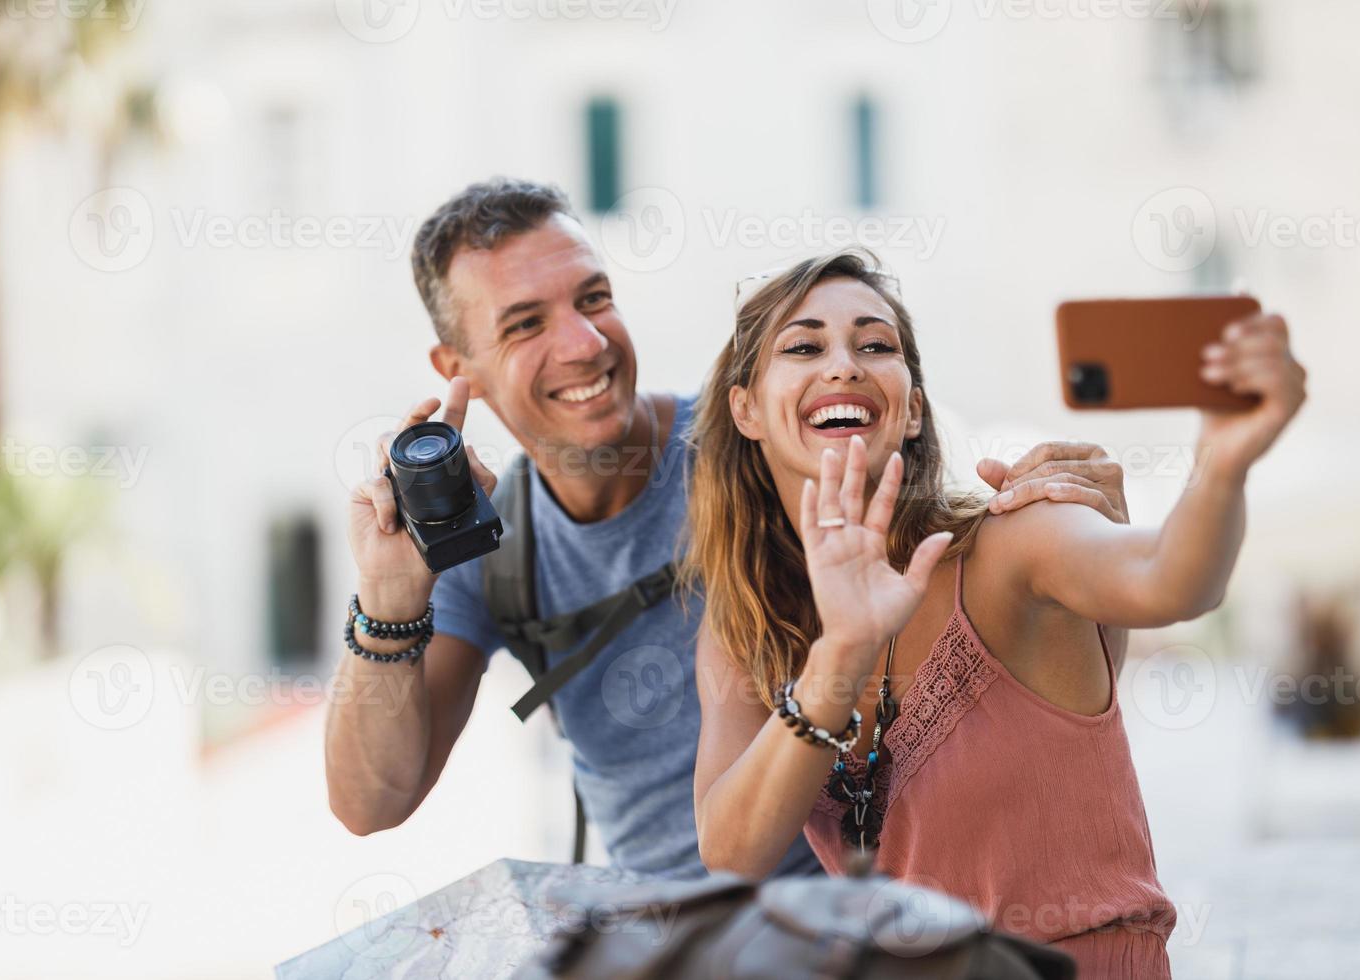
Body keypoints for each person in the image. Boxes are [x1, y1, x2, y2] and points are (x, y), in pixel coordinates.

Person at [325, 178, 1138, 881]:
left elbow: (982, 586)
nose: (583, 342)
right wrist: (388, 600)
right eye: (525, 324)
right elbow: (371, 804)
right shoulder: (487, 543)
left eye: (594, 298)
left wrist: (1069, 529)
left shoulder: (772, 445)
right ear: (454, 368)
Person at [688, 250, 1306, 974]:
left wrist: (1222, 467)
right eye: (803, 346)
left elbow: (1170, 579)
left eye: (875, 344)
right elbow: (732, 853)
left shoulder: (1010, 541)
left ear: (912, 408)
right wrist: (840, 655)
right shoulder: (748, 623)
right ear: (747, 409)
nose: (844, 365)